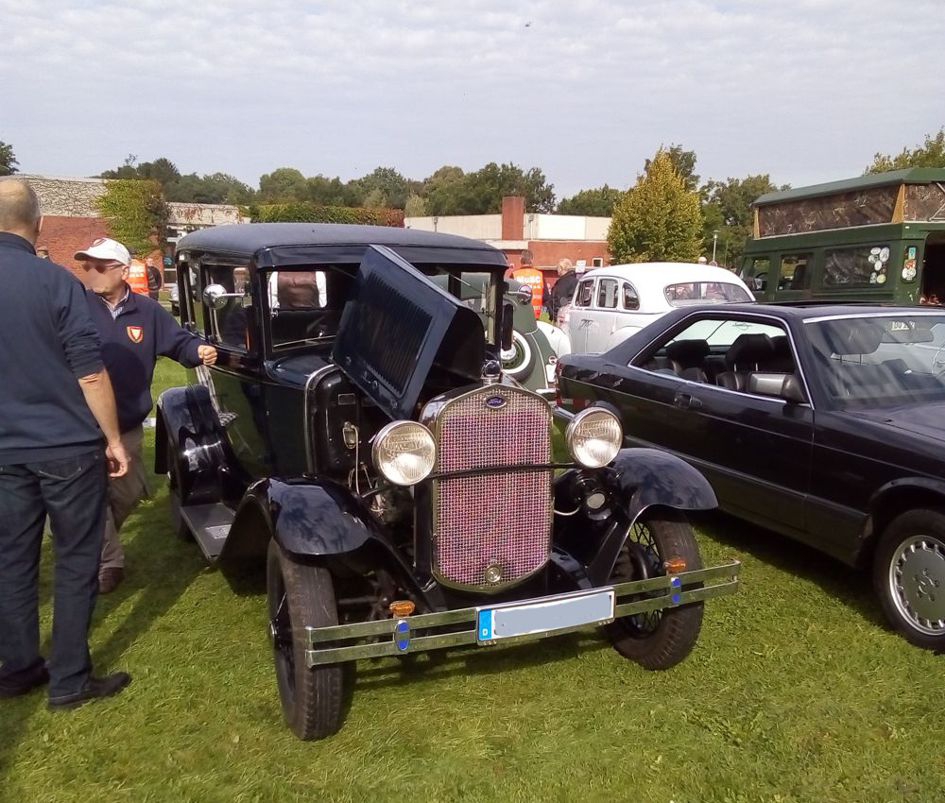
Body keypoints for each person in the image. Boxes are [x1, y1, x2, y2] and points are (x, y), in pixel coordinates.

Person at [0, 180, 132, 709]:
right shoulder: (57, 283)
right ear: (37, 224)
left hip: (6, 450)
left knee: (12, 559)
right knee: (77, 561)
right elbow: (91, 373)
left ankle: (19, 667)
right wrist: (115, 439)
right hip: (67, 446)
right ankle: (71, 680)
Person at [75, 237, 218, 593]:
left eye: (100, 266)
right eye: (87, 265)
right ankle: (109, 563)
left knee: (125, 494)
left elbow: (177, 341)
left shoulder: (148, 312)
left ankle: (94, 543)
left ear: (123, 271)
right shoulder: (75, 307)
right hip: (78, 423)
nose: (91, 272)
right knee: (89, 497)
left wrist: (197, 348)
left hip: (127, 424)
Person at [548, 258, 578, 322]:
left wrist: (554, 313)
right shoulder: (575, 281)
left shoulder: (563, 283)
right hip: (570, 316)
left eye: (558, 268)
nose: (557, 270)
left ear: (561, 268)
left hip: (561, 316)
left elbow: (559, 300)